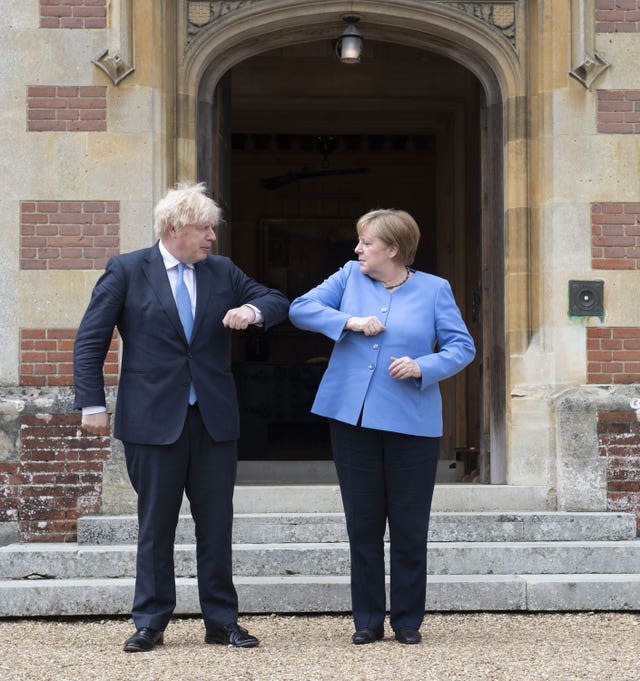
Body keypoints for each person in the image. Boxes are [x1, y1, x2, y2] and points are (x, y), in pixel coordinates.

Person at [73, 182, 289, 652]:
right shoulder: (128, 270)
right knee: (156, 525)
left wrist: (251, 311)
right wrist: (92, 404)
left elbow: (276, 301)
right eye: (204, 229)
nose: (212, 237)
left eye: (213, 228)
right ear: (175, 229)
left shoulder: (223, 271)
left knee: (217, 524)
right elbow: (91, 339)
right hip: (152, 422)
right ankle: (150, 622)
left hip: (213, 421)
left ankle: (221, 622)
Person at [289, 208, 475, 646]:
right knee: (363, 524)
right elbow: (300, 309)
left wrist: (422, 365)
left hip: (413, 423)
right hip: (352, 420)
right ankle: (367, 620)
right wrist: (348, 321)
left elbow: (461, 346)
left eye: (367, 242)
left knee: (410, 527)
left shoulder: (434, 289)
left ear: (392, 249)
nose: (358, 249)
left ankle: (408, 621)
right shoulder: (348, 278)